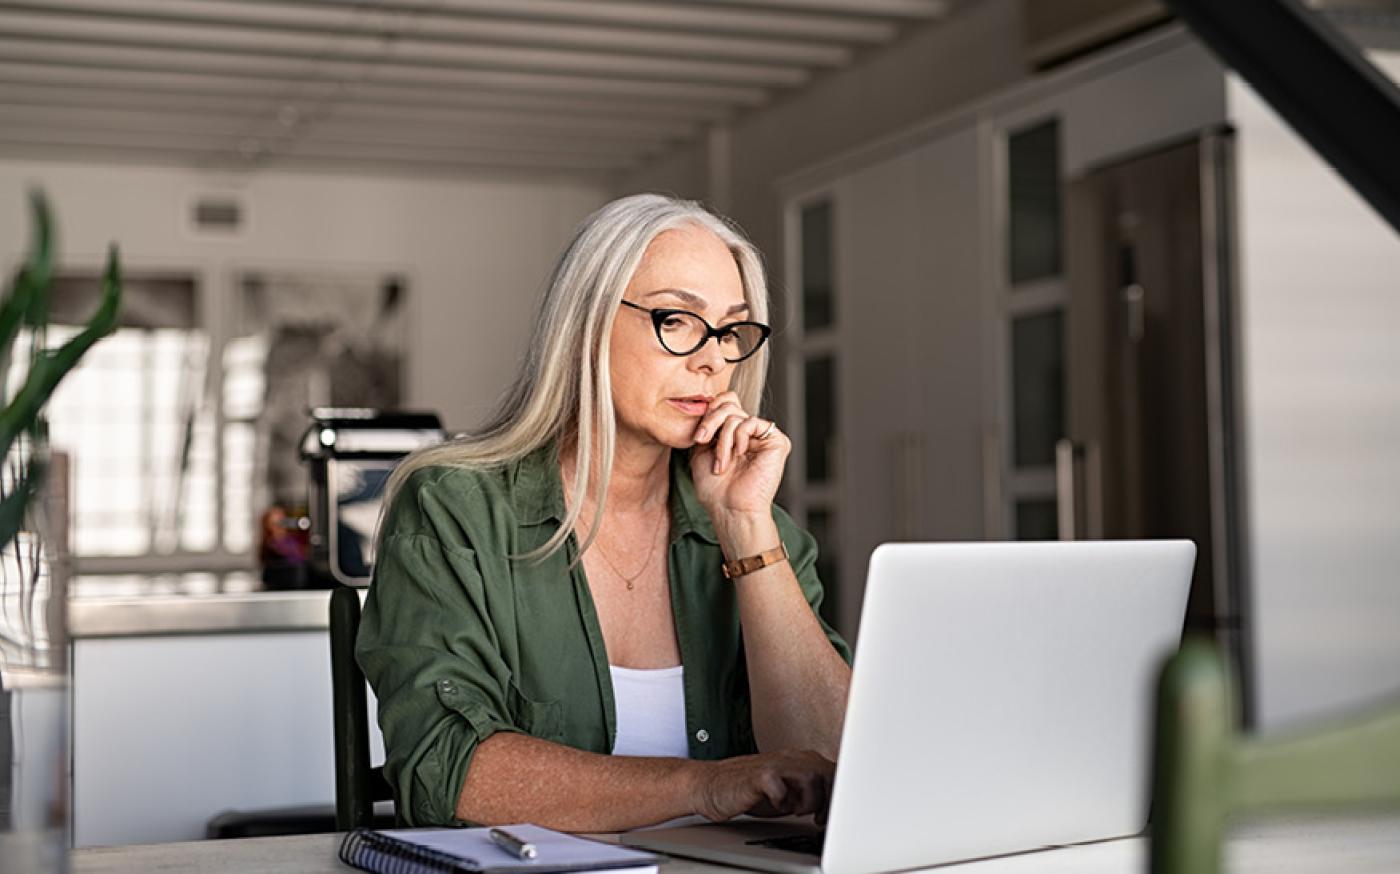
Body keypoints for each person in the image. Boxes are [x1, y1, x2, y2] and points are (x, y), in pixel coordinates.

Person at [358, 193, 852, 832]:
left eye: (731, 331)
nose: (713, 359)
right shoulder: (455, 508)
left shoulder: (758, 529)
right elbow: (445, 773)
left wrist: (744, 529)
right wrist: (705, 785)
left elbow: (838, 765)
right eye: (676, 319)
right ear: (586, 322)